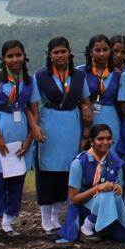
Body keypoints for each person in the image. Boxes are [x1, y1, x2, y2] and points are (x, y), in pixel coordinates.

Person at [0, 40, 40, 246]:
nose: (15, 60)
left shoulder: (30, 81)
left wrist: (30, 138)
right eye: (10, 56)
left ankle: (8, 224)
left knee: (16, 182)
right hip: (0, 137)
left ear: (24, 56)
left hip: (21, 138)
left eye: (18, 55)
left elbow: (34, 110)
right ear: (3, 59)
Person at [34, 37, 91, 238]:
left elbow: (85, 100)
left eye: (63, 51)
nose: (60, 56)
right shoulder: (41, 76)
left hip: (72, 124)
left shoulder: (78, 76)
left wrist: (86, 130)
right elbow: (32, 102)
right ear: (50, 55)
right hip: (49, 123)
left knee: (66, 171)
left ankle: (56, 217)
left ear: (70, 53)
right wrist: (35, 127)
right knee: (47, 171)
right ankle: (44, 219)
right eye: (55, 52)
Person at [59, 124, 125, 244]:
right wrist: (98, 188)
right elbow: (73, 200)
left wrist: (118, 188)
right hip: (84, 209)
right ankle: (86, 228)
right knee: (106, 195)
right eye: (100, 139)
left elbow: (120, 189)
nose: (105, 142)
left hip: (109, 206)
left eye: (108, 138)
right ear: (91, 141)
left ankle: (104, 225)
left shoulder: (116, 162)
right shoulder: (79, 163)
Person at [79, 35, 124, 157]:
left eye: (105, 50)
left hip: (111, 116)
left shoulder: (118, 74)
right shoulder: (80, 72)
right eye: (97, 50)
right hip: (88, 117)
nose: (102, 54)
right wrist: (84, 107)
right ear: (90, 52)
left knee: (110, 151)